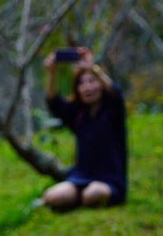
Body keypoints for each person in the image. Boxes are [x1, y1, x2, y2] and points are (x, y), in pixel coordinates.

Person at [41, 48, 127, 209]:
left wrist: (92, 67)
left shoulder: (113, 109)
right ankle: (71, 197)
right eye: (82, 83)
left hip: (110, 179)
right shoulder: (78, 114)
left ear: (101, 84)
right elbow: (54, 102)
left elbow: (116, 92)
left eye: (92, 81)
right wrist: (52, 73)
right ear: (77, 90)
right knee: (54, 196)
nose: (87, 87)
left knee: (94, 194)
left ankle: (82, 199)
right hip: (81, 176)